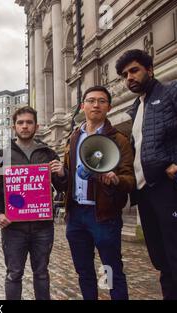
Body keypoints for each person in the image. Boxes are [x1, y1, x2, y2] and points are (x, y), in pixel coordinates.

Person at [49, 86, 135, 300]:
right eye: (91, 100)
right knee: (84, 271)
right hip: (76, 215)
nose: (96, 105)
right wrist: (61, 173)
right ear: (83, 106)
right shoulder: (73, 138)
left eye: (102, 101)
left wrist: (115, 179)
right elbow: (68, 180)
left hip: (104, 215)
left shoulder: (119, 140)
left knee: (110, 270)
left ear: (109, 107)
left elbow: (131, 180)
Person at [115, 49, 177, 299]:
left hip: (168, 188)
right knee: (161, 260)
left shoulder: (172, 92)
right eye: (125, 74)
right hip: (145, 193)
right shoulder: (136, 108)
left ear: (150, 70)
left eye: (134, 70)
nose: (129, 77)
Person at [0, 106, 66, 300]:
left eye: (29, 122)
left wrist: (62, 173)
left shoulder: (48, 153)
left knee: (42, 273)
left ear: (36, 126)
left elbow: (62, 187)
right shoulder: (1, 156)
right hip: (13, 227)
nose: (25, 126)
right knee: (14, 274)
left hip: (42, 226)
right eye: (20, 123)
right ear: (14, 127)